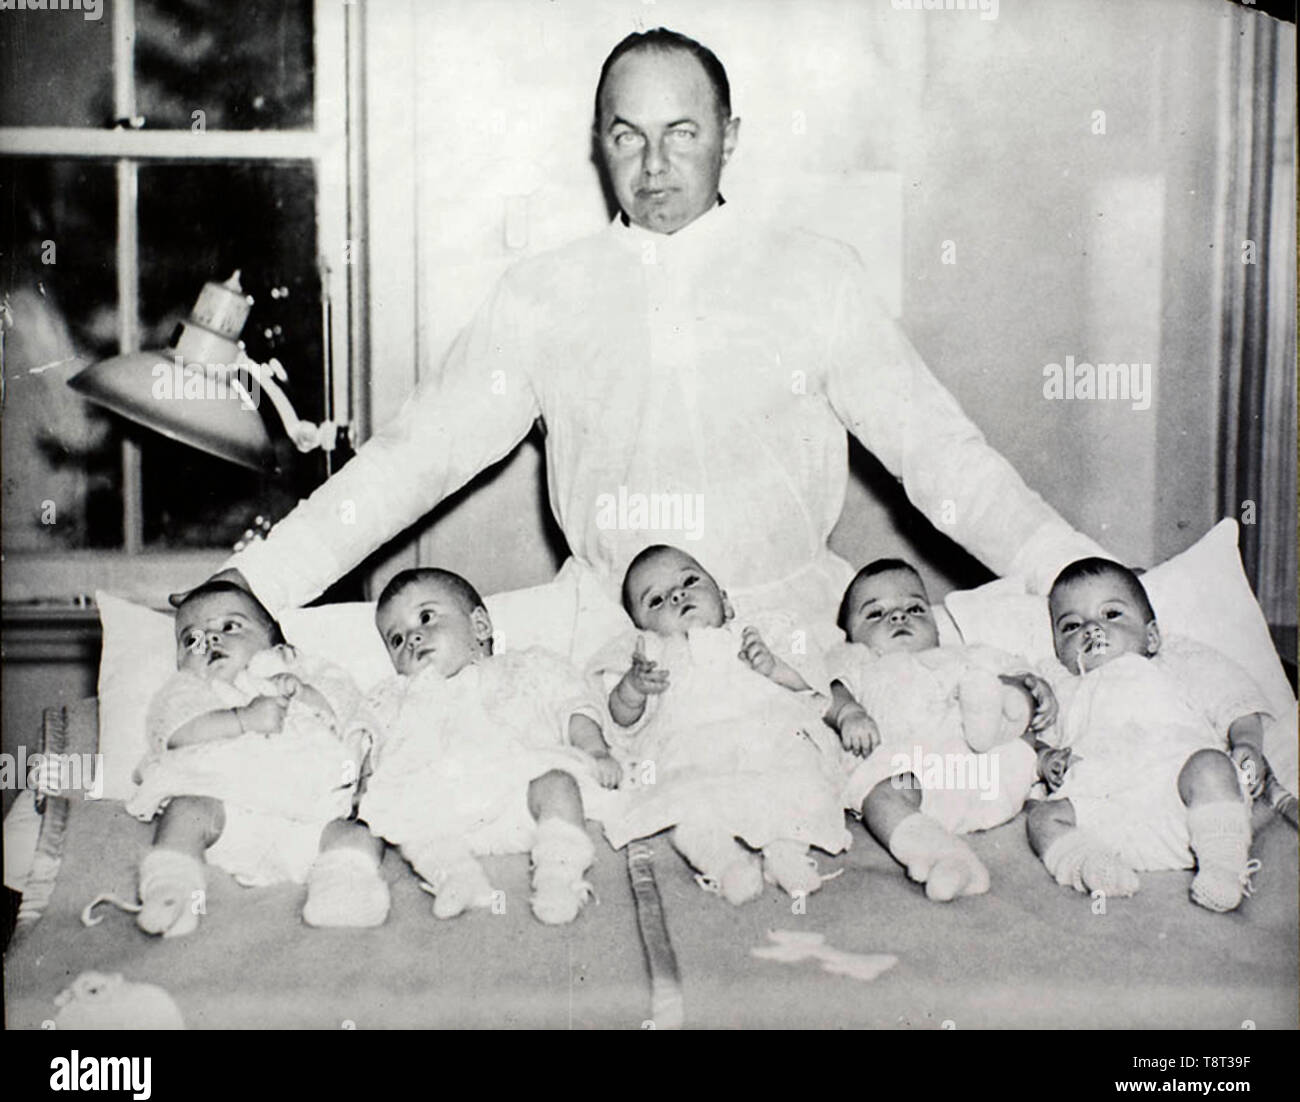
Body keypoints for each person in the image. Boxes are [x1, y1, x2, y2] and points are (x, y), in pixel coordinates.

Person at [196, 27, 1106, 670]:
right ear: (601, 146)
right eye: (629, 136)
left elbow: (939, 454)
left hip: (790, 641)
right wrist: (260, 580)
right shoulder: (543, 294)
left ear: (730, 140)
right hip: (606, 646)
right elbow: (413, 459)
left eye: (683, 133)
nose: (656, 167)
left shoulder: (816, 276)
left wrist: (1065, 569)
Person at [95, 582, 388, 937]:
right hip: (225, 814)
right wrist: (241, 719)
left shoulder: (305, 671)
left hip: (308, 819)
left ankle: (340, 888)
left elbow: (350, 709)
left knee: (361, 833)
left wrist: (307, 693)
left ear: (278, 644)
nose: (210, 641)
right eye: (192, 639)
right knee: (186, 811)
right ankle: (172, 888)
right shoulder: (189, 687)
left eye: (229, 627)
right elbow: (176, 730)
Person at [353, 568, 620, 924]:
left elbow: (572, 702)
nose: (413, 638)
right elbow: (368, 732)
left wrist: (595, 749)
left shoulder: (527, 665)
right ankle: (457, 877)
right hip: (443, 808)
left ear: (479, 626)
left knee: (558, 784)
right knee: (401, 814)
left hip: (520, 796)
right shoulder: (396, 694)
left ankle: (559, 876)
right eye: (397, 639)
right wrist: (365, 779)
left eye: (426, 617)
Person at [591, 545, 850, 905]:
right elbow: (618, 720)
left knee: (800, 772)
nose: (677, 594)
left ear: (726, 603)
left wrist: (774, 667)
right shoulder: (648, 652)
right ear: (641, 627)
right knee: (684, 801)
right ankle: (723, 862)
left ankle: (786, 852)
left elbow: (810, 685)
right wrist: (633, 688)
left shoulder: (755, 632)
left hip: (768, 735)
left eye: (690, 581)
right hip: (691, 748)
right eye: (656, 600)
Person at [1025, 558, 1271, 913]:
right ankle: (1089, 864)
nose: (1091, 629)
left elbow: (1233, 698)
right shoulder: (1062, 686)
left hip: (1188, 807)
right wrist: (1047, 757)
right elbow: (1032, 737)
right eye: (1071, 626)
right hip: (1112, 815)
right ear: (1058, 649)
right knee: (1042, 819)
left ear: (1152, 636)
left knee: (1211, 765)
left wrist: (1247, 743)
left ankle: (1223, 867)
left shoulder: (1174, 661)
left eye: (1111, 615)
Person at [823, 559, 1059, 901]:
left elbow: (1019, 670)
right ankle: (945, 857)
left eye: (915, 608)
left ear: (936, 625)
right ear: (851, 636)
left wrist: (1034, 689)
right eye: (875, 613)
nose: (899, 616)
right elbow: (827, 689)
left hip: (989, 766)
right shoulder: (858, 662)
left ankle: (1005, 731)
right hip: (920, 778)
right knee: (881, 797)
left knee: (1001, 691)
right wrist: (849, 714)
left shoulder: (965, 654)